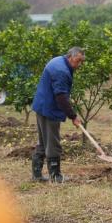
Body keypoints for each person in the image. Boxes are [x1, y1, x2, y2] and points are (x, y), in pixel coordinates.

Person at [30, 47, 85, 183]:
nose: (79, 65)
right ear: (70, 57)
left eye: (81, 62)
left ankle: (36, 175)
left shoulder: (58, 60)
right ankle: (55, 176)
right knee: (53, 143)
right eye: (78, 61)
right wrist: (73, 116)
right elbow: (61, 97)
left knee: (43, 141)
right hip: (49, 109)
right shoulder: (62, 71)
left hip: (41, 105)